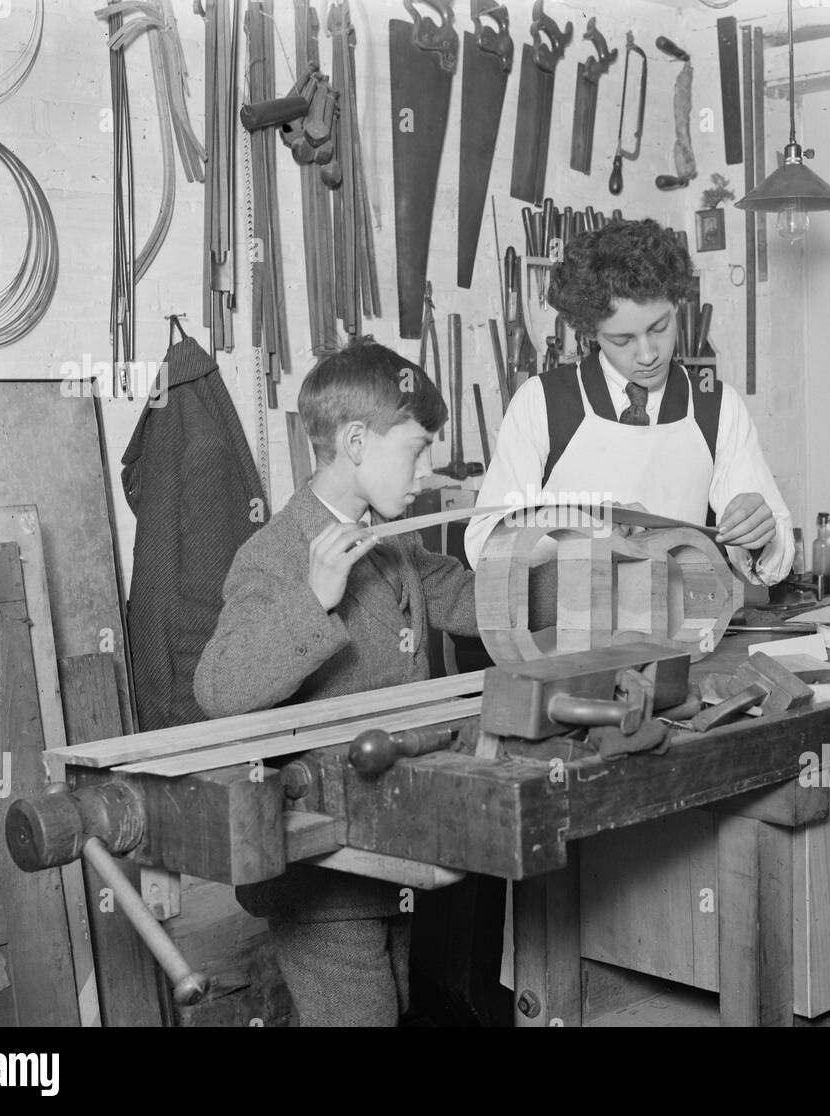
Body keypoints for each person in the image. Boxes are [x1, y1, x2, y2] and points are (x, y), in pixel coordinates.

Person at [194, 341, 478, 1027]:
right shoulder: (276, 553)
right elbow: (218, 688)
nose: (424, 472)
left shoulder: (390, 537)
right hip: (319, 868)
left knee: (394, 1008)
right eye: (415, 450)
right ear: (355, 441)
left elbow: (462, 596)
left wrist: (567, 569)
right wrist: (314, 599)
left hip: (390, 843)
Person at [464, 218, 794, 583]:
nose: (648, 353)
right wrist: (584, 531)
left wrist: (760, 537)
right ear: (591, 331)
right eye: (623, 340)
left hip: (678, 633)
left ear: (676, 303)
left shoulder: (717, 408)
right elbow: (483, 546)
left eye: (659, 327)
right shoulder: (541, 403)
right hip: (565, 634)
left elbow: (775, 562)